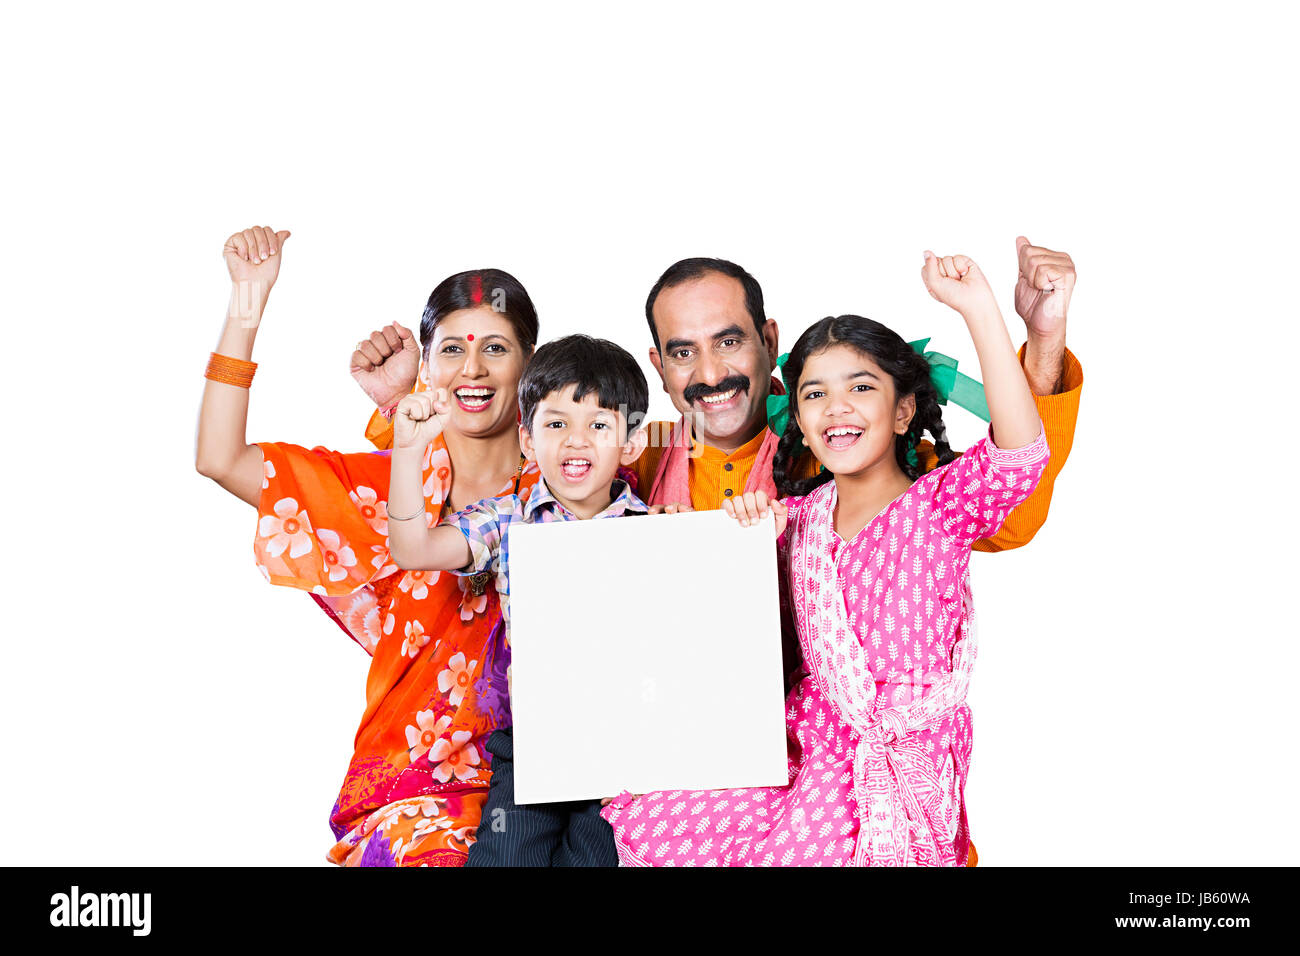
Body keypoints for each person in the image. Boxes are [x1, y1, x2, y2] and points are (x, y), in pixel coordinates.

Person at [601, 251, 1049, 866]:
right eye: (816, 394)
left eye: (860, 388)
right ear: (802, 425)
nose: (837, 407)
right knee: (651, 813)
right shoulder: (797, 513)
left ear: (903, 410)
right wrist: (701, 544)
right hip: (807, 744)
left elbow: (1020, 455)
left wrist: (980, 309)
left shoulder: (940, 504)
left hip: (907, 757)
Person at [195, 224, 545, 866]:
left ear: (531, 361)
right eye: (451, 351)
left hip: (555, 783)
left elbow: (701, 442)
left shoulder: (578, 475)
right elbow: (221, 458)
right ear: (430, 366)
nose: (472, 369)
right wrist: (249, 301)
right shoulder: (390, 491)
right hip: (415, 795)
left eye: (495, 348)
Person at [386, 334, 654, 866]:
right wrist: (409, 449)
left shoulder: (654, 531)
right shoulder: (507, 517)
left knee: (599, 857)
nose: (576, 442)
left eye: (599, 426)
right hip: (535, 740)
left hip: (622, 748)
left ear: (630, 444)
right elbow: (412, 548)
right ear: (528, 439)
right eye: (556, 425)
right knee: (505, 856)